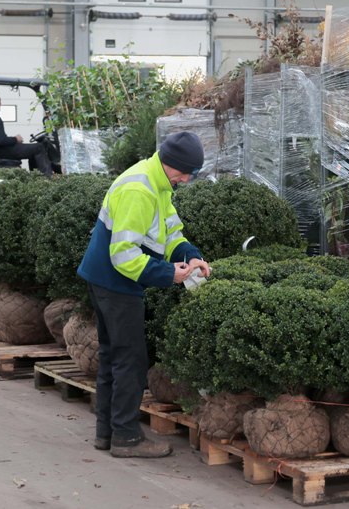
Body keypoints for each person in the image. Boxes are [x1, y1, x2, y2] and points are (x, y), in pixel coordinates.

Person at [77, 131, 211, 458]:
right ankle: (126, 438)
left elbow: (170, 232)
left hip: (107, 279)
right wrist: (169, 275)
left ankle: (106, 433)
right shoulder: (140, 189)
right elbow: (123, 254)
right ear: (176, 167)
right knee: (130, 361)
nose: (188, 180)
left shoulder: (158, 182)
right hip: (115, 282)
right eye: (189, 174)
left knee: (113, 357)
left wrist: (189, 255)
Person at [0, 93, 53, 176]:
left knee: (32, 150)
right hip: (1, 151)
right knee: (39, 147)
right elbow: (1, 140)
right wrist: (16, 139)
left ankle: (36, 176)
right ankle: (47, 178)